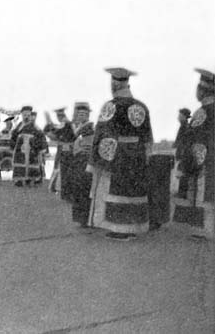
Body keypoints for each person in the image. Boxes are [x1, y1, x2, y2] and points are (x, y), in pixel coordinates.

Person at [87, 67, 153, 240]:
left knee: (116, 189)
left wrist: (97, 159)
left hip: (118, 155)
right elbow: (148, 137)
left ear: (114, 84)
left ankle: (119, 228)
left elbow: (101, 133)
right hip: (137, 154)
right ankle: (133, 227)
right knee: (132, 190)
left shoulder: (111, 106)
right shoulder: (141, 106)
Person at [172, 68, 215, 239]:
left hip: (205, 159)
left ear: (202, 91)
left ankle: (202, 230)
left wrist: (187, 163)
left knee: (201, 193)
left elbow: (194, 140)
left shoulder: (202, 112)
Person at [69, 102, 95, 227]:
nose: (82, 116)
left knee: (85, 189)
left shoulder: (89, 127)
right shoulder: (76, 127)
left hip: (86, 160)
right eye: (80, 114)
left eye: (85, 114)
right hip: (78, 160)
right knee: (80, 189)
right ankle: (83, 219)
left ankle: (86, 218)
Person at [44, 108, 77, 199]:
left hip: (66, 149)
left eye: (59, 116)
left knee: (61, 167)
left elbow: (56, 132)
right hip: (63, 148)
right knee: (60, 167)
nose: (58, 118)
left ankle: (60, 187)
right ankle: (59, 187)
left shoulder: (66, 124)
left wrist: (49, 123)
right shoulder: (67, 124)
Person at [12, 106, 48, 187]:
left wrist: (40, 146)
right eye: (24, 115)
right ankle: (20, 179)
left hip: (32, 146)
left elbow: (41, 136)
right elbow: (14, 135)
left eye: (28, 115)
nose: (26, 117)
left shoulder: (35, 126)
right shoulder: (19, 125)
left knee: (32, 162)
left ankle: (31, 179)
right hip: (20, 147)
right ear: (22, 115)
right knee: (20, 162)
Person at [172, 108, 192, 197]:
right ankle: (181, 192)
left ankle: (182, 193)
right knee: (182, 172)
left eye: (180, 116)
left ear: (184, 117)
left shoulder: (185, 127)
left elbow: (183, 142)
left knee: (182, 172)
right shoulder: (184, 126)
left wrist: (180, 152)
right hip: (183, 153)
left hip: (183, 153)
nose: (178, 118)